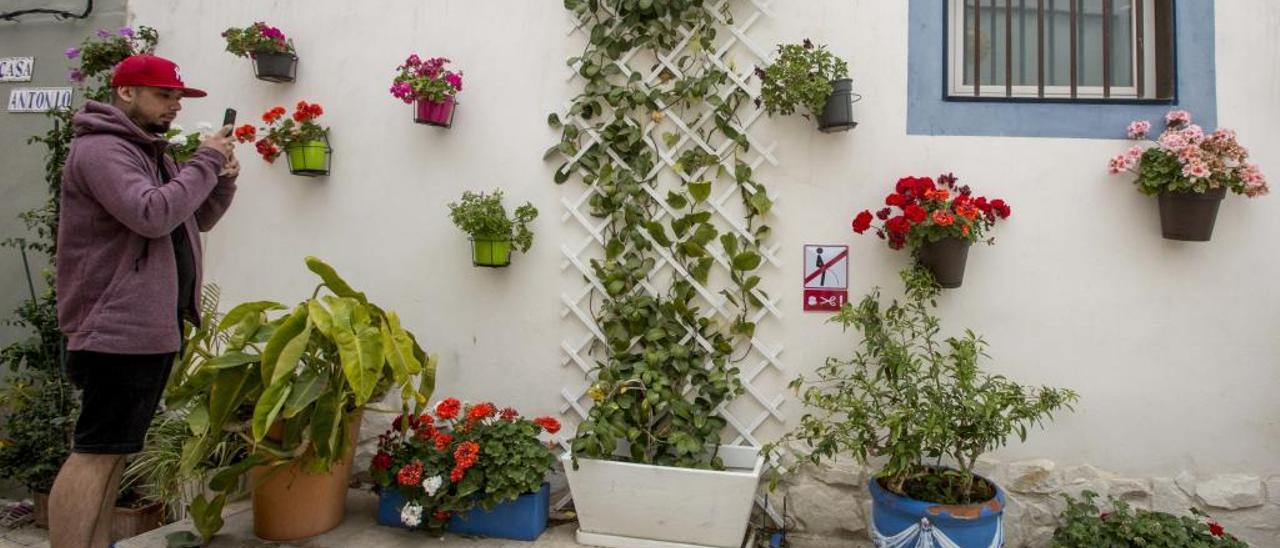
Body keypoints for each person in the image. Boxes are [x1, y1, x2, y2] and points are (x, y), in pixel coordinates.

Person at [48, 54, 239, 548]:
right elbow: (151, 214)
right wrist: (205, 160)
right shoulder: (103, 150)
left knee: (114, 453)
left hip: (147, 326)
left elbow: (190, 218)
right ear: (126, 93)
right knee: (95, 452)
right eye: (163, 95)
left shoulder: (148, 152)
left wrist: (222, 179)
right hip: (114, 325)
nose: (174, 105)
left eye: (178, 96)